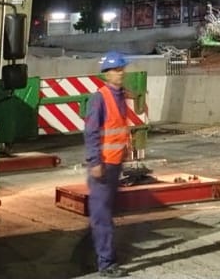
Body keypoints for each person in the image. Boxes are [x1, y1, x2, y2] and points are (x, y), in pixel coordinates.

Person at [84, 51, 143, 277]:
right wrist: (94, 161)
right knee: (102, 215)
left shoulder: (120, 97)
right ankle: (106, 265)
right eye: (117, 70)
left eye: (122, 69)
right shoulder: (100, 98)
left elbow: (118, 130)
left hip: (114, 163)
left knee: (106, 213)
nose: (121, 73)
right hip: (103, 165)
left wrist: (124, 153)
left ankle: (105, 257)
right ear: (107, 73)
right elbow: (91, 133)